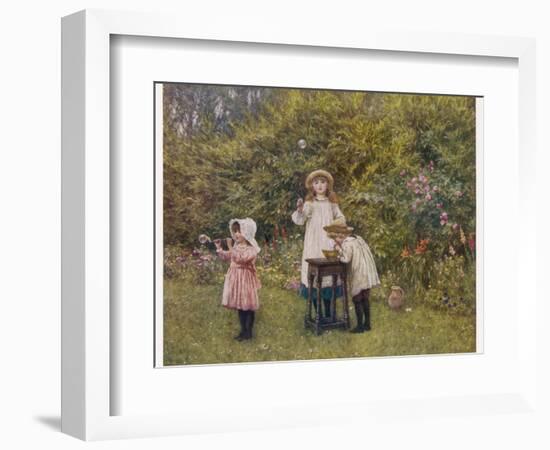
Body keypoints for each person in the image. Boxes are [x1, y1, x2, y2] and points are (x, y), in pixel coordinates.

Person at [291, 169, 345, 318]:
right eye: (316, 183)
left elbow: (341, 218)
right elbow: (300, 220)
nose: (320, 185)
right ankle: (318, 313)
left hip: (327, 242)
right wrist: (300, 210)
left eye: (323, 182)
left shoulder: (331, 203)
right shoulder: (310, 203)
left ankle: (328, 313)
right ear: (312, 186)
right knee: (314, 278)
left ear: (328, 185)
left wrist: (333, 225)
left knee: (328, 277)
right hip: (313, 244)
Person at [324, 219, 380, 333]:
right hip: (367, 272)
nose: (337, 240)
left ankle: (360, 326)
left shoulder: (347, 243)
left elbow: (346, 259)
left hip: (358, 272)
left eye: (337, 238)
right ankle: (367, 324)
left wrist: (339, 250)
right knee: (365, 297)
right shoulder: (358, 239)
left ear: (341, 235)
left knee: (357, 299)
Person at [215, 218, 261, 341]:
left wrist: (230, 246)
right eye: (235, 231)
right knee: (241, 306)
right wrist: (219, 248)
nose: (236, 234)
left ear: (247, 233)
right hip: (236, 278)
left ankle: (249, 333)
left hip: (245, 278)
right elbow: (227, 257)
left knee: (248, 306)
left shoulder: (252, 249)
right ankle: (243, 331)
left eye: (239, 231)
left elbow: (240, 259)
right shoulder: (237, 246)